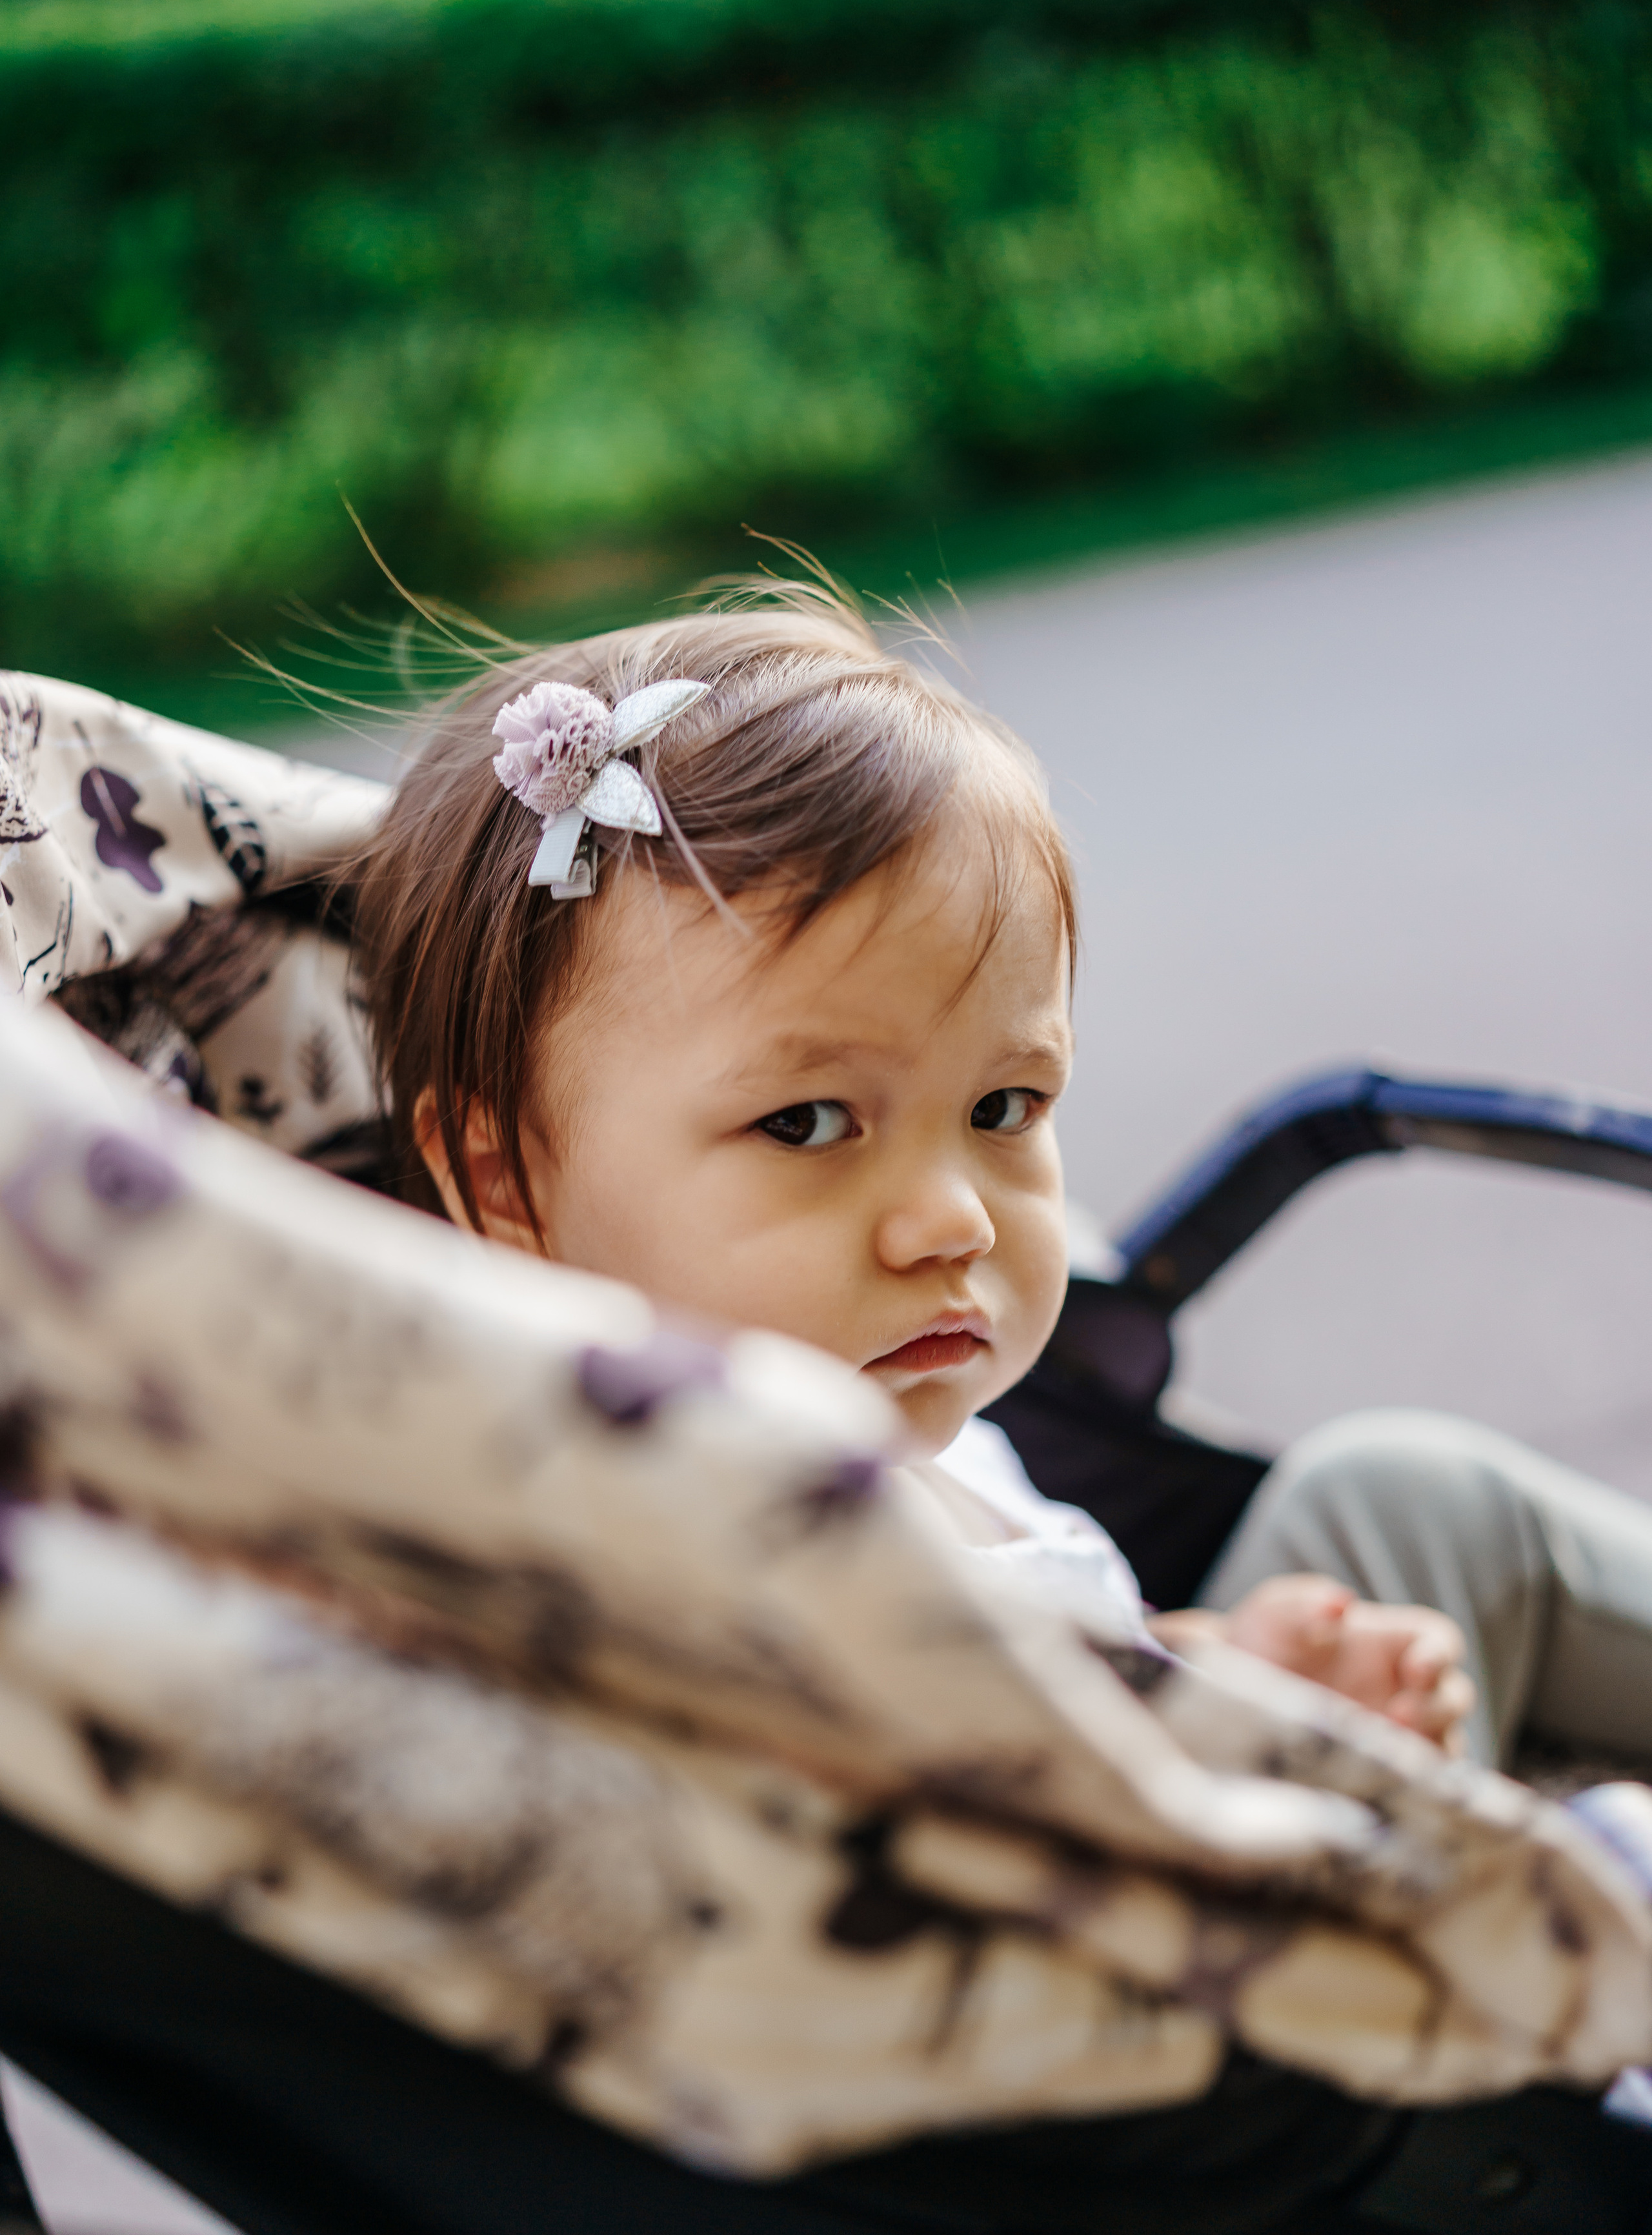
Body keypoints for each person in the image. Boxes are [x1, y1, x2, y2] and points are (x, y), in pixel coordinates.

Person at [345, 580, 1646, 1772]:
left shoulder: (913, 1441)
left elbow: (1079, 1649)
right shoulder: (717, 1595)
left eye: (1003, 1104)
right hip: (1264, 1975)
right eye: (804, 1124)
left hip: (1195, 1776)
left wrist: (1215, 1671)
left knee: (1399, 1493)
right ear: (504, 1179)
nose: (955, 1217)